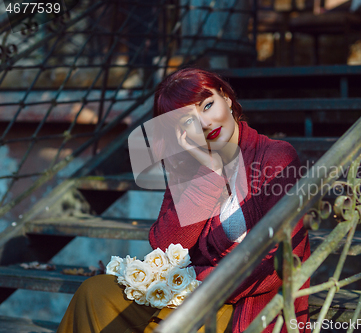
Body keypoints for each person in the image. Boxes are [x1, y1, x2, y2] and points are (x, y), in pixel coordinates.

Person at [57, 68, 310, 333]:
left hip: (247, 299)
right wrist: (208, 174)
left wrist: (197, 280)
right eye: (187, 122)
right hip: (190, 291)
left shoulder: (276, 157)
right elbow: (166, 247)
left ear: (225, 97)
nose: (203, 123)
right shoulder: (189, 166)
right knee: (93, 294)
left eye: (207, 105)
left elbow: (279, 262)